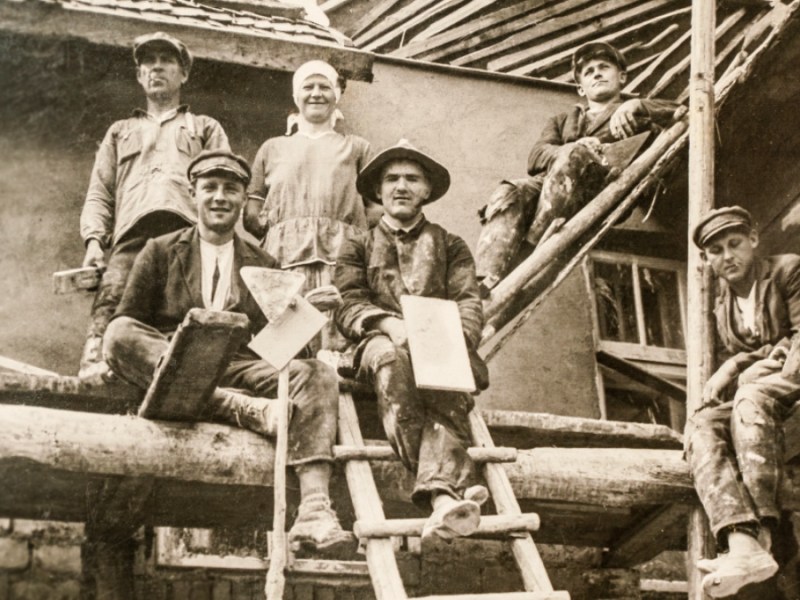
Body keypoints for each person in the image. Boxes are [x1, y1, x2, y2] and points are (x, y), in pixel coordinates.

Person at [100, 151, 352, 579]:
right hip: (172, 359)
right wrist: (163, 353)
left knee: (316, 374)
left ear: (241, 199)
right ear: (194, 195)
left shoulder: (263, 264)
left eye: (230, 189)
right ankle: (234, 408)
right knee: (118, 334)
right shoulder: (159, 251)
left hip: (239, 367)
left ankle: (313, 508)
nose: (220, 197)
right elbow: (129, 320)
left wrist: (303, 316)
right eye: (210, 188)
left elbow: (276, 352)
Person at [334, 139, 489, 543]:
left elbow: (468, 302)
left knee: (449, 384)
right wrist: (387, 323)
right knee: (391, 359)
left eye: (412, 179)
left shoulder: (450, 244)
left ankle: (443, 495)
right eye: (391, 179)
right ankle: (449, 488)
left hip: (440, 346)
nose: (400, 186)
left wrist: (455, 340)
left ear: (426, 191)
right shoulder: (357, 244)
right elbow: (348, 304)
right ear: (378, 191)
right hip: (377, 345)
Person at [475, 41, 681, 295]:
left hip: (597, 188)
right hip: (552, 187)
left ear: (622, 77)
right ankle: (484, 279)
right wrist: (569, 150)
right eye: (588, 71)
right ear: (581, 89)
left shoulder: (637, 115)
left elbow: (686, 113)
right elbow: (536, 157)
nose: (596, 73)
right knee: (509, 191)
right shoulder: (563, 121)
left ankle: (531, 250)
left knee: (575, 152)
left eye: (604, 67)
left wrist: (639, 105)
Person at [79, 32, 230, 377]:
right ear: (139, 75)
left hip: (186, 235)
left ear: (184, 74)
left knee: (183, 311)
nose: (157, 67)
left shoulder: (203, 127)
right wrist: (92, 242)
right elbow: (99, 192)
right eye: (149, 62)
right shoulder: (121, 131)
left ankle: (187, 380)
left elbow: (225, 185)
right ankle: (95, 368)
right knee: (113, 297)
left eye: (167, 60)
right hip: (133, 235)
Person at [685, 206, 800, 597]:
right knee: (700, 424)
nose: (727, 256)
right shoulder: (723, 310)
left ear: (753, 240)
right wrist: (738, 366)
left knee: (749, 396)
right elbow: (756, 358)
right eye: (715, 250)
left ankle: (764, 533)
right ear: (707, 259)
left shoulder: (787, 271)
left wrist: (758, 367)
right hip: (764, 402)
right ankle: (741, 540)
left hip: (792, 386)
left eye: (734, 243)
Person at [243, 60, 380, 350]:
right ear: (296, 96)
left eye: (324, 87)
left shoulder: (357, 148)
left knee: (337, 340)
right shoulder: (272, 148)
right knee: (286, 344)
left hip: (340, 259)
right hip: (285, 260)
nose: (316, 93)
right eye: (308, 87)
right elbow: (252, 213)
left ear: (336, 95)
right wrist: (281, 230)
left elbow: (376, 209)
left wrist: (352, 238)